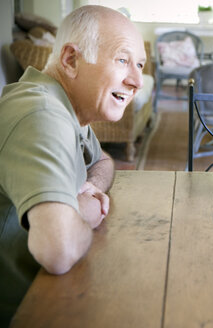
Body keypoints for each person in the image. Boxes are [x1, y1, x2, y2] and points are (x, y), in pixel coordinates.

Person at [0, 5, 146, 324]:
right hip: (26, 311)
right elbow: (58, 250)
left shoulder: (67, 110)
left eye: (140, 64)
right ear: (70, 60)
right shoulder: (41, 114)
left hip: (57, 293)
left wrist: (90, 187)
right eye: (122, 60)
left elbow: (104, 161)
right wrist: (84, 211)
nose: (137, 81)